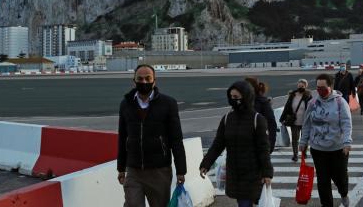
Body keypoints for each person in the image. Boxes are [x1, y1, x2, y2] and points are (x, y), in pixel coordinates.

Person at [117, 64, 186, 207]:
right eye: (140, 78)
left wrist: (181, 170)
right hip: (134, 170)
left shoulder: (168, 104)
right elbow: (122, 137)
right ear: (133, 81)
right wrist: (121, 168)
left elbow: (176, 140)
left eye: (148, 78)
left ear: (154, 81)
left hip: (159, 171)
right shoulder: (125, 104)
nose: (143, 82)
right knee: (132, 204)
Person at [200, 81, 273, 207]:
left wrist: (267, 173)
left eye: (236, 97)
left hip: (252, 173)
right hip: (233, 172)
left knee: (245, 203)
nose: (233, 100)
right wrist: (206, 163)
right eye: (231, 97)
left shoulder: (257, 119)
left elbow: (263, 149)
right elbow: (218, 144)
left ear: (246, 97)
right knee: (242, 202)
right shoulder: (227, 118)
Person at [299, 74, 352, 207]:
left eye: (323, 88)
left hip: (338, 149)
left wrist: (347, 142)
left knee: (340, 178)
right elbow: (306, 124)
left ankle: (344, 193)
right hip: (318, 149)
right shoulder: (312, 103)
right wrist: (303, 142)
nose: (320, 90)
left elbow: (346, 123)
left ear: (330, 87)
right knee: (323, 181)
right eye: (318, 88)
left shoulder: (340, 102)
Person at [279, 78, 312, 161]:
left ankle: (304, 152)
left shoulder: (308, 95)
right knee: (295, 139)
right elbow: (287, 107)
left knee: (304, 138)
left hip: (305, 121)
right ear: (297, 86)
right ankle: (295, 155)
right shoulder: (293, 95)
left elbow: (312, 108)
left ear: (306, 86)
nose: (300, 87)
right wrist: (282, 118)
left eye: (302, 86)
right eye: (299, 85)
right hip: (294, 121)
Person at [246, 77, 277, 153]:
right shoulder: (242, 102)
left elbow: (272, 123)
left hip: (258, 143)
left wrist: (271, 144)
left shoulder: (262, 102)